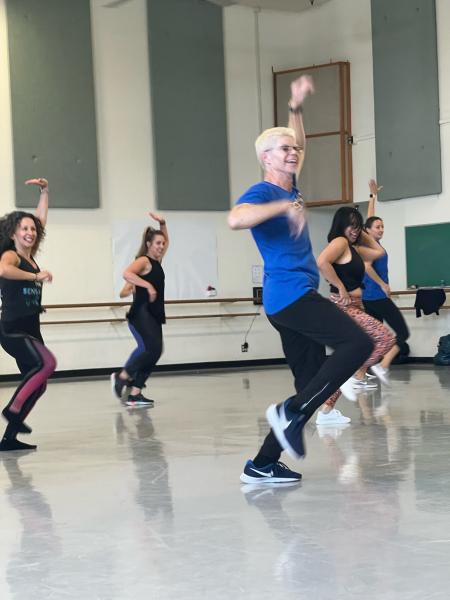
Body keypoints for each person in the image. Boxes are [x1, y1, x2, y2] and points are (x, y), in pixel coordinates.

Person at [228, 75, 374, 484]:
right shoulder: (263, 191)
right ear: (266, 159)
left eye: (292, 148)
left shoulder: (291, 184)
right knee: (358, 342)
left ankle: (261, 463)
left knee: (311, 384)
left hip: (292, 297)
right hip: (289, 295)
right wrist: (276, 209)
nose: (293, 153)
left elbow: (302, 146)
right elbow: (235, 218)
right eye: (283, 150)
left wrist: (295, 108)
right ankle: (289, 413)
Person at [315, 205, 397, 424]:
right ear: (341, 225)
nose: (354, 230)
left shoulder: (354, 249)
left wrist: (362, 233)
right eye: (351, 225)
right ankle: (355, 375)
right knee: (385, 337)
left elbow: (379, 252)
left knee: (350, 355)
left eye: (357, 226)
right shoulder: (339, 243)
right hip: (343, 306)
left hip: (356, 306)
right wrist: (340, 286)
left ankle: (326, 411)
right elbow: (322, 262)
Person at [0, 178, 57, 451]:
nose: (30, 232)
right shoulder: (11, 256)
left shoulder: (31, 254)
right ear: (13, 233)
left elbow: (41, 219)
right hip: (12, 328)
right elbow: (3, 271)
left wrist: (44, 191)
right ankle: (12, 410)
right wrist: (35, 275)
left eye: (32, 229)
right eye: (24, 228)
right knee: (47, 364)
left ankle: (9, 439)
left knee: (40, 385)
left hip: (31, 328)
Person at [111, 213, 168, 406]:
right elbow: (126, 273)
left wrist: (162, 223)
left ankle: (135, 393)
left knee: (156, 351)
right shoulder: (143, 260)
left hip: (154, 313)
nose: (161, 246)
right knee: (148, 349)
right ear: (149, 244)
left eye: (162, 244)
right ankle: (122, 375)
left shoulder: (157, 262)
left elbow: (166, 241)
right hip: (141, 312)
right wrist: (148, 286)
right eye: (157, 243)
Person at [362, 180, 410, 365]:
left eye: (382, 226)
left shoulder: (370, 243)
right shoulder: (370, 247)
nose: (381, 229)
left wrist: (373, 197)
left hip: (369, 298)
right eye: (378, 227)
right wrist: (383, 284)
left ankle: (364, 373)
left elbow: (370, 219)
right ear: (368, 231)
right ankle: (384, 364)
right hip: (377, 297)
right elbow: (367, 266)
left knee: (377, 338)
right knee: (403, 333)